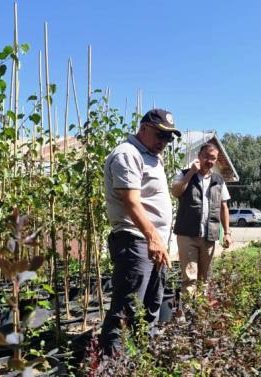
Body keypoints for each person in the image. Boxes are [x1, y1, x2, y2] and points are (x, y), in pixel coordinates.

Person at [99, 108, 181, 356]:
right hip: (136, 241)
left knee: (151, 305)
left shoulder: (151, 156)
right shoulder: (127, 154)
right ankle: (112, 367)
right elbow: (131, 202)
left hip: (154, 244)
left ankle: (141, 360)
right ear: (143, 128)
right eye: (160, 135)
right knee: (126, 308)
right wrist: (153, 237)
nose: (164, 142)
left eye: (169, 138)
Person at [171, 143, 232, 296]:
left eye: (213, 158)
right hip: (187, 234)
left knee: (204, 278)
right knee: (189, 278)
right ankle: (188, 314)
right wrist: (191, 172)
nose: (209, 161)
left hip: (209, 235)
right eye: (206, 157)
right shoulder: (184, 174)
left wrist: (227, 233)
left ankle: (200, 315)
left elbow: (224, 207)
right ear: (199, 156)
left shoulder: (218, 180)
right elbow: (176, 192)